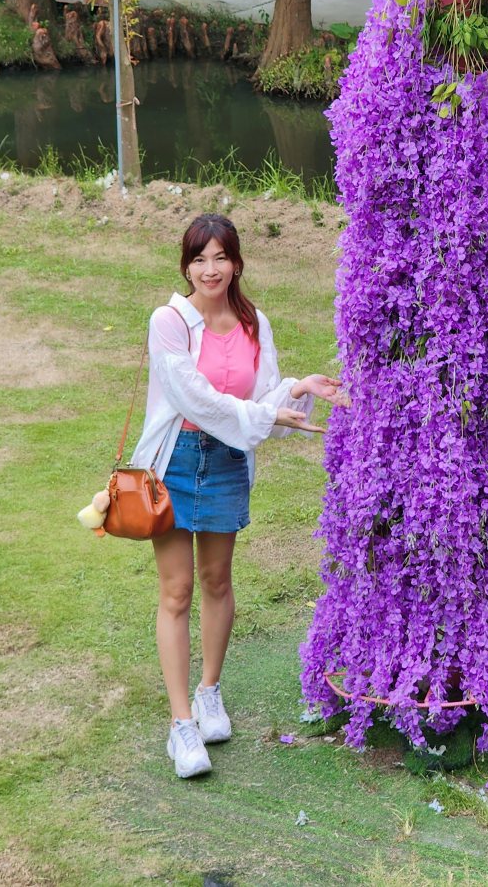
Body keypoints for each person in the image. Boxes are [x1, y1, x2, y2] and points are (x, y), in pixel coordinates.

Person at [129, 212, 348, 779]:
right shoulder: (169, 322)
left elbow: (264, 413)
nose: (210, 269)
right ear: (186, 266)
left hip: (225, 463)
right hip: (175, 461)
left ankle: (209, 692)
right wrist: (266, 410)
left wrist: (295, 390)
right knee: (176, 590)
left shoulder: (254, 324)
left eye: (220, 257)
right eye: (199, 259)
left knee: (217, 580)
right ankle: (181, 726)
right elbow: (196, 400)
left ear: (237, 263)